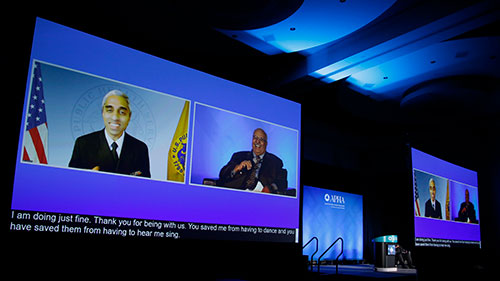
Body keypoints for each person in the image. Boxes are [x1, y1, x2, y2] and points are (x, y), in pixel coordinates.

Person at [69, 90, 151, 177]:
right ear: (102, 113)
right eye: (109, 110)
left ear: (129, 116)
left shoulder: (140, 148)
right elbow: (69, 183)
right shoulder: (83, 144)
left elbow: (145, 187)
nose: (115, 117)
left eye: (122, 112)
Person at [218, 128, 287, 194]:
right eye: (255, 138)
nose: (257, 141)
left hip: (261, 197)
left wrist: (270, 188)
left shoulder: (275, 162)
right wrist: (236, 168)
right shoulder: (239, 156)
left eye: (261, 139)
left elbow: (282, 183)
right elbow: (222, 174)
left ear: (266, 143)